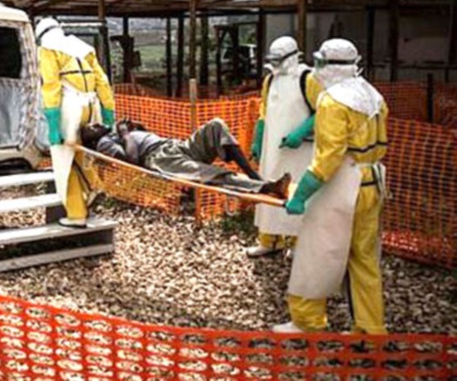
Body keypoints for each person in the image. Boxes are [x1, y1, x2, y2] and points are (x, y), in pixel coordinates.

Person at [273, 38, 388, 335]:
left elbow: (328, 157)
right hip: (372, 181)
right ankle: (371, 328)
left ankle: (307, 321)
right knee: (364, 259)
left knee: (317, 252)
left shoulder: (333, 101)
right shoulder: (373, 96)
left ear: (330, 66)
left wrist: (301, 194)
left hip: (341, 185)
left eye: (321, 62)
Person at [247, 36, 323, 258]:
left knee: (297, 191)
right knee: (270, 189)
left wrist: (301, 132)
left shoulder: (308, 78)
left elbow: (324, 110)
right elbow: (264, 111)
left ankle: (299, 243)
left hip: (301, 151)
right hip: (273, 149)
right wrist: (258, 139)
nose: (276, 64)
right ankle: (269, 240)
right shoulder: (269, 80)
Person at [36, 17, 115, 228]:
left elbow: (51, 87)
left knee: (64, 162)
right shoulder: (83, 47)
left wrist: (52, 125)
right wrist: (108, 114)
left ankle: (76, 213)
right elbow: (103, 81)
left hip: (69, 108)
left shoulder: (47, 49)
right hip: (91, 105)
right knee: (82, 153)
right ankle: (94, 186)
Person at [81, 119, 290, 196]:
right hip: (161, 158)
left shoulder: (112, 133)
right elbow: (131, 159)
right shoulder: (104, 144)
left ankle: (253, 174)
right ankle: (265, 187)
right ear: (91, 141)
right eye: (91, 128)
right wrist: (125, 133)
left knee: (215, 126)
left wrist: (134, 128)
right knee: (212, 174)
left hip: (174, 146)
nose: (95, 125)